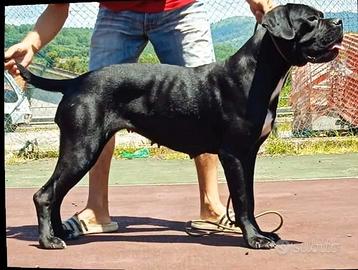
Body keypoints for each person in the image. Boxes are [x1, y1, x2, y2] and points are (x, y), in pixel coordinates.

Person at [5, 0, 273, 238]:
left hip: (180, 8)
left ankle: (211, 208)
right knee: (96, 105)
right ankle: (96, 210)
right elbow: (58, 6)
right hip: (115, 11)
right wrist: (31, 42)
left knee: (210, 103)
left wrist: (260, 2)